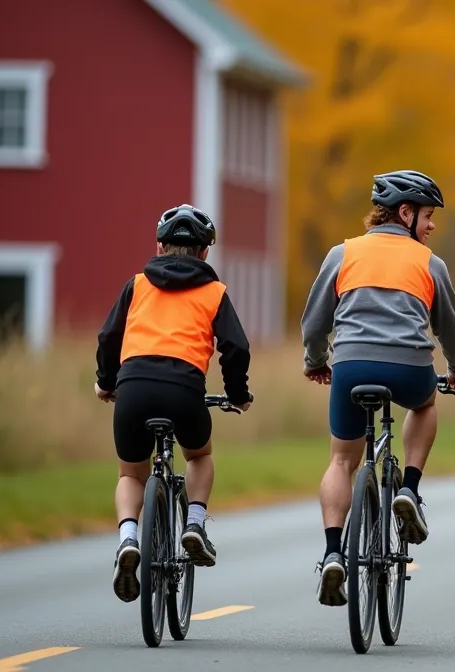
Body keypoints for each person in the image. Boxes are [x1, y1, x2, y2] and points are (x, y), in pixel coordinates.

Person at [301, 169, 455, 607]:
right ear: (405, 212)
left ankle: (332, 552)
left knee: (342, 460)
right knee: (424, 405)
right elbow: (451, 331)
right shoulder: (429, 263)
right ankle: (409, 489)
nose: (432, 225)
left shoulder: (341, 254)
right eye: (428, 216)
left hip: (351, 366)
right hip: (410, 368)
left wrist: (317, 362)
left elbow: (314, 323)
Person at [94, 204, 253, 604]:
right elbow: (236, 347)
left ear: (160, 245)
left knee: (131, 474)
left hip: (132, 389)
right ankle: (195, 525)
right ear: (204, 253)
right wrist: (236, 393)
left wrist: (106, 383)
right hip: (184, 390)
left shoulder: (136, 285)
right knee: (199, 456)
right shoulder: (214, 292)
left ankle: (129, 538)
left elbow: (108, 337)